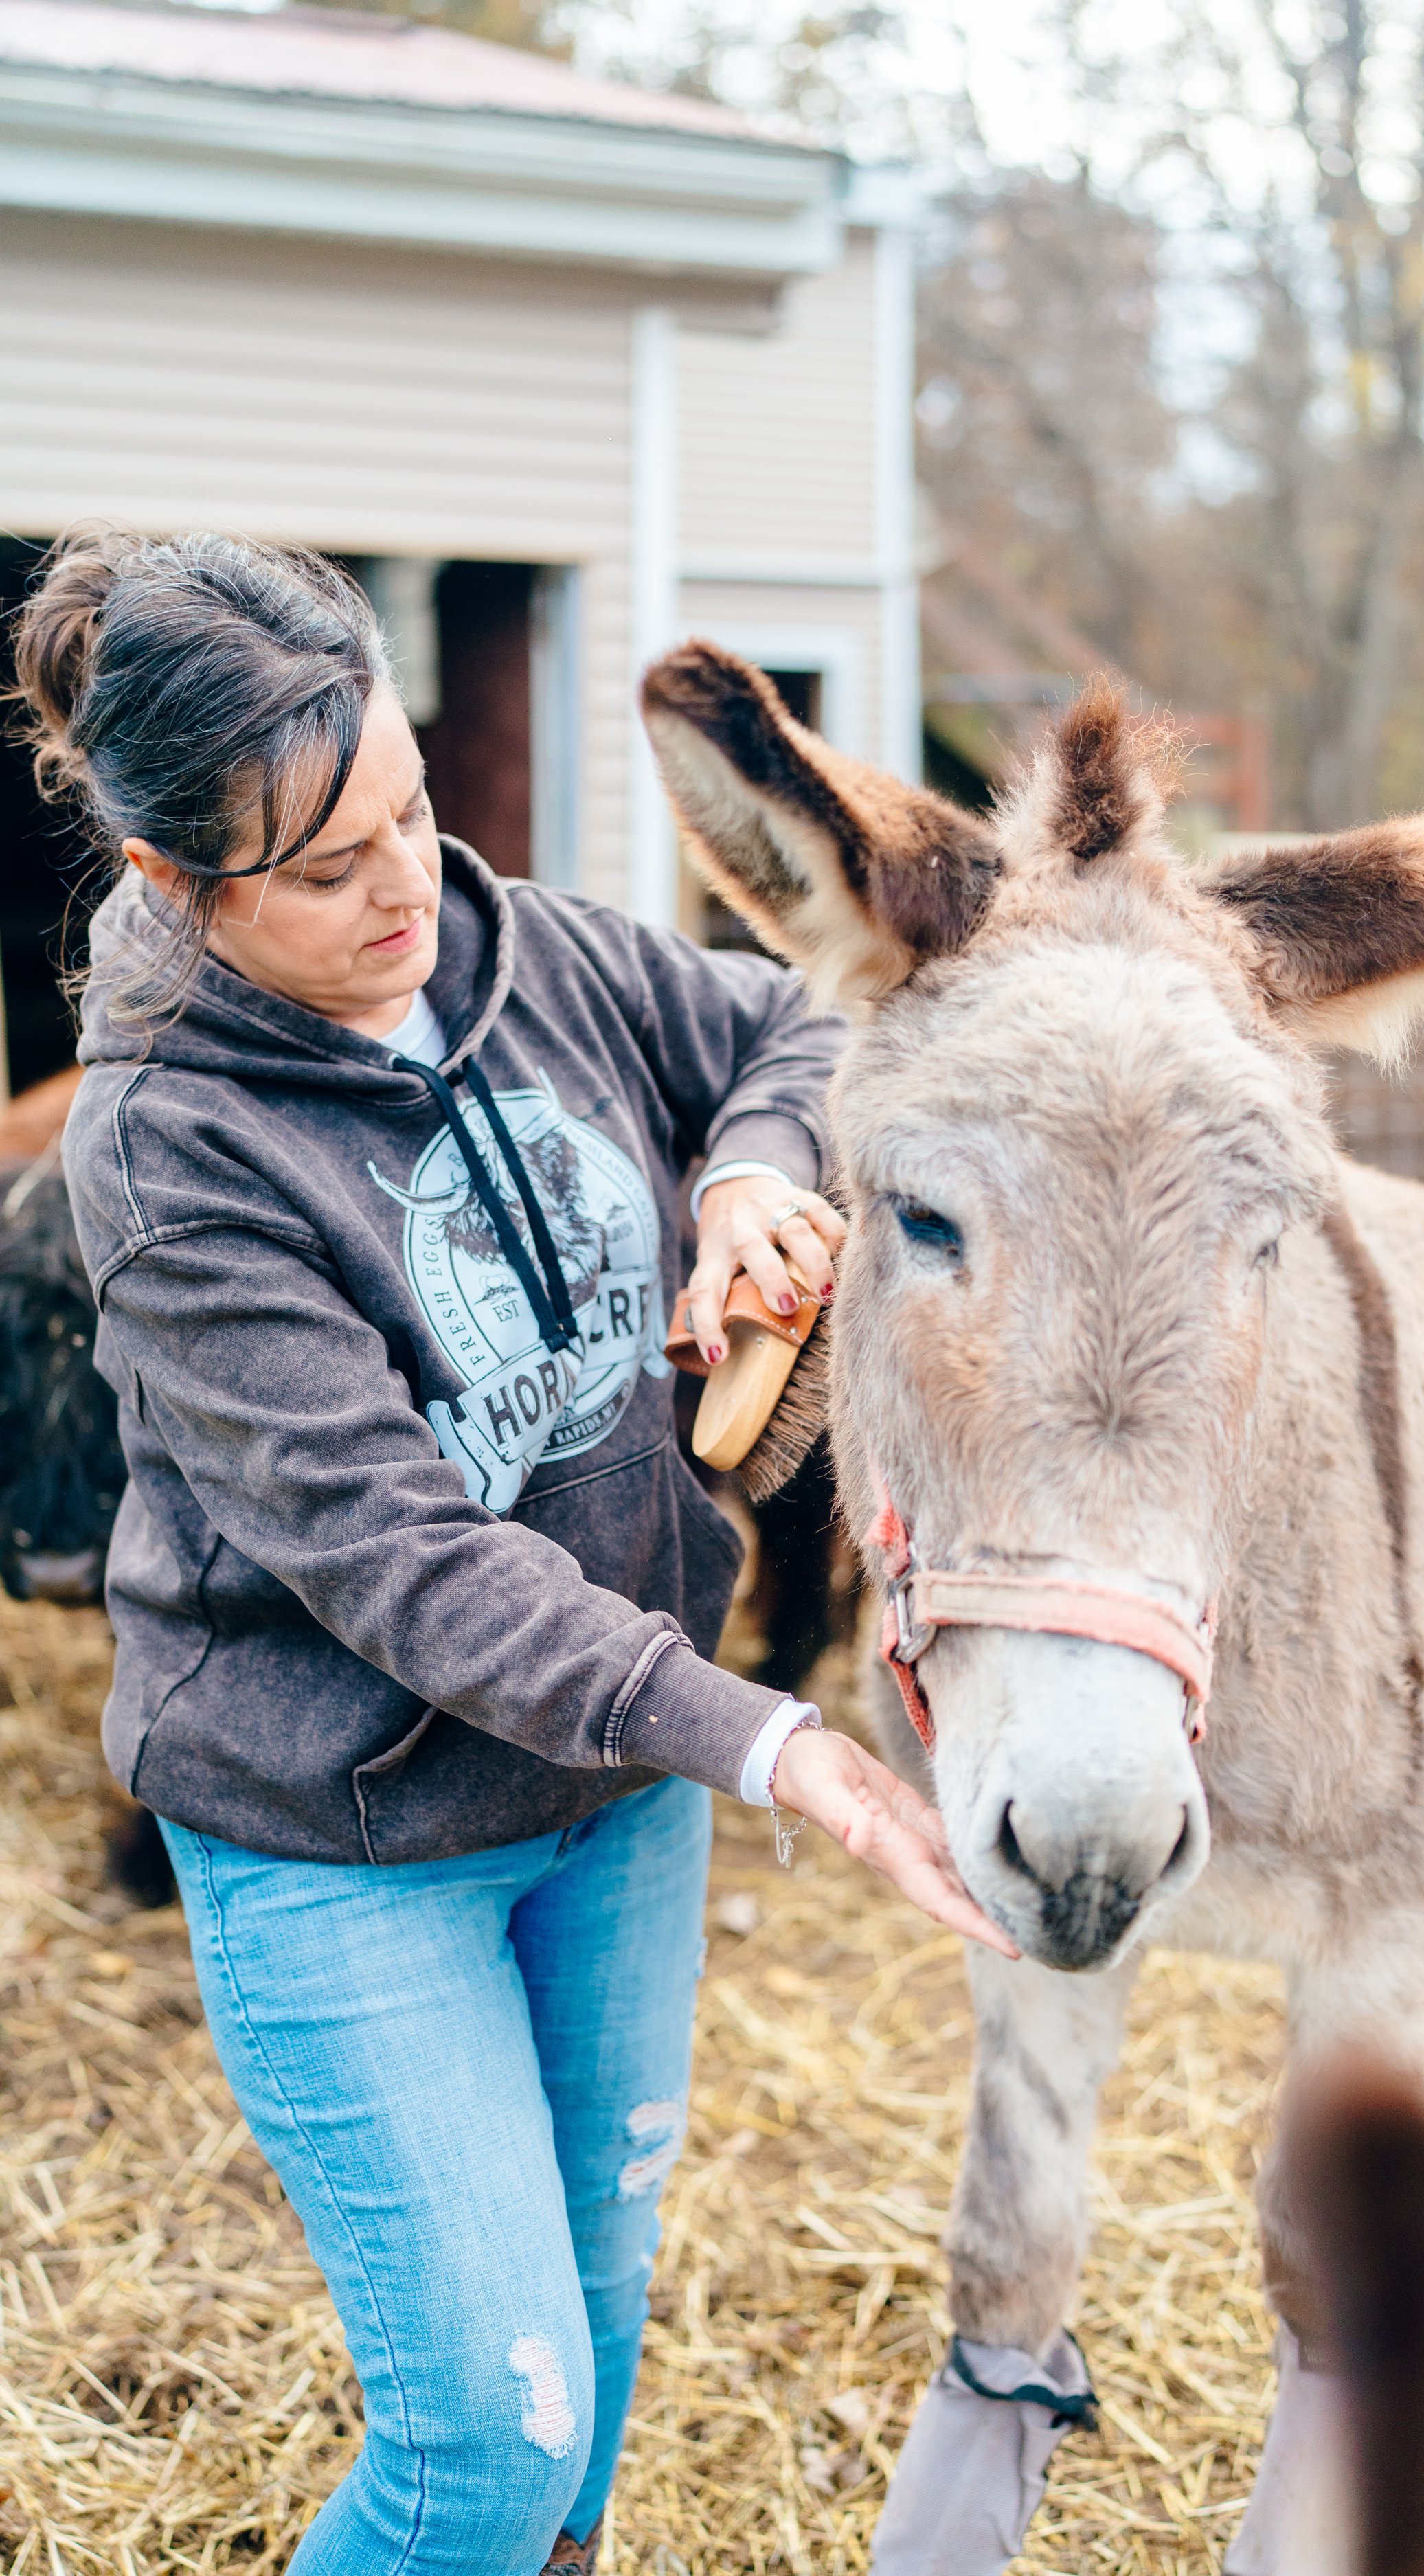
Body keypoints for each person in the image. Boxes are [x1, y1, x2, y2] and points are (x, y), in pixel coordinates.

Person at [19, 528, 1011, 2576]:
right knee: (482, 2435)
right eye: (322, 869)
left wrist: (746, 1175)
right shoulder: (168, 1156)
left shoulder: (522, 945)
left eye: (411, 807)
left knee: (590, 2362)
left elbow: (798, 1028)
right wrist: (776, 1743)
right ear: (170, 885)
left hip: (608, 1804)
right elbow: (402, 1566)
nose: (407, 891)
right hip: (344, 1841)